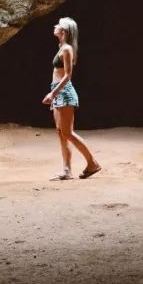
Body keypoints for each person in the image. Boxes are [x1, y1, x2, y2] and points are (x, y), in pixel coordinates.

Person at [42, 15, 101, 180]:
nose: (55, 27)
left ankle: (93, 163)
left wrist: (53, 94)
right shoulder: (61, 47)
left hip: (64, 92)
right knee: (61, 132)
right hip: (58, 91)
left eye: (58, 25)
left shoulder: (67, 48)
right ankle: (66, 170)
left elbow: (68, 75)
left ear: (64, 31)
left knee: (68, 132)